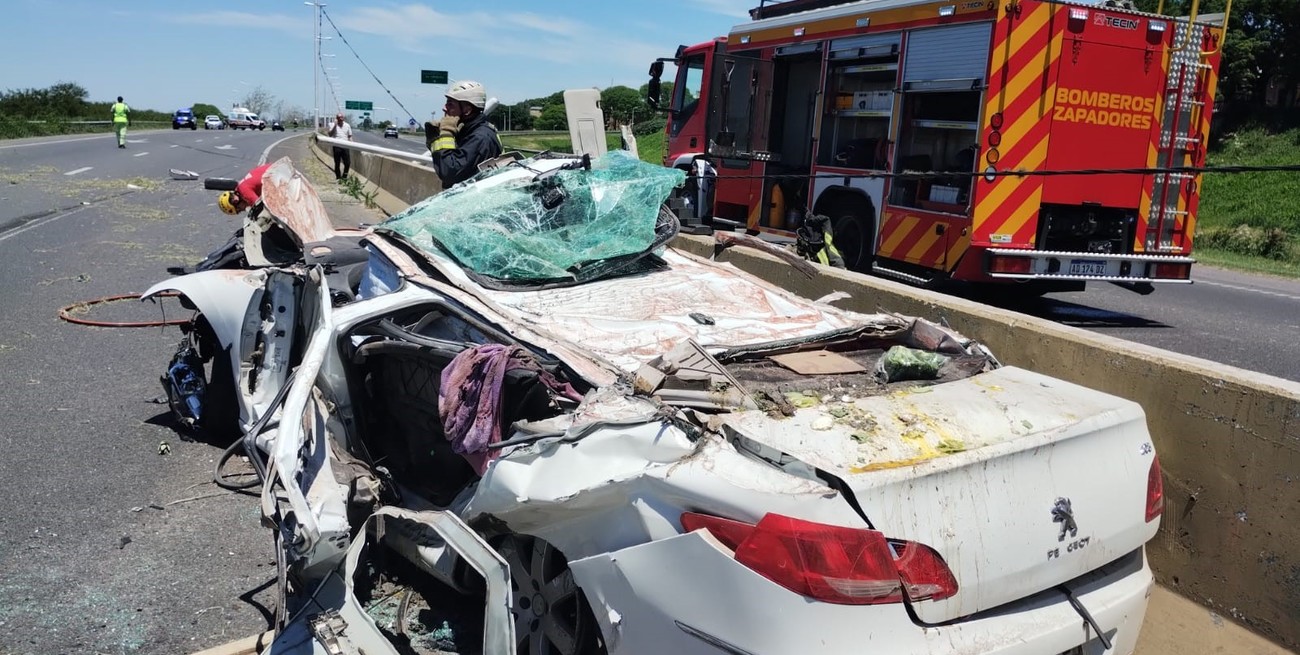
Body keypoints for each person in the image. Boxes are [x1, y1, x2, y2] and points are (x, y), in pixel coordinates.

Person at [425, 80, 502, 187]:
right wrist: (434, 136)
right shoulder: (467, 131)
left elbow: (448, 172)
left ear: (467, 110)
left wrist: (446, 132)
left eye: (450, 104)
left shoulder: (480, 138)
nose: (444, 108)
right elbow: (443, 162)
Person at [328, 113, 353, 181]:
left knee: (347, 163)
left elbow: (350, 136)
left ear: (343, 118)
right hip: (337, 146)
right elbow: (330, 134)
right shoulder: (332, 125)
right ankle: (338, 177)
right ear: (336, 119)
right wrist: (335, 126)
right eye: (339, 118)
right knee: (337, 162)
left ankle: (344, 177)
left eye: (342, 118)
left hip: (345, 146)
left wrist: (353, 144)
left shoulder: (347, 125)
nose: (340, 119)